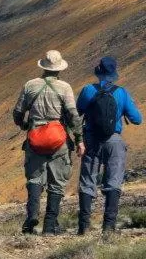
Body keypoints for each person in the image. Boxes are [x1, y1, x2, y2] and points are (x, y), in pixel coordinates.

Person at [12, 50, 84, 235]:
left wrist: (25, 125)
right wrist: (79, 140)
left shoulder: (30, 85)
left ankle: (32, 216)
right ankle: (50, 226)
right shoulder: (65, 88)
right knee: (57, 183)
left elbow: (18, 112)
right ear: (59, 69)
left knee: (34, 179)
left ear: (43, 67)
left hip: (35, 138)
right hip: (58, 139)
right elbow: (73, 116)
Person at [76, 57, 142, 234]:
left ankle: (83, 227)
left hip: (91, 139)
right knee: (114, 181)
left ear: (98, 73)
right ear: (114, 73)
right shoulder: (122, 92)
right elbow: (137, 119)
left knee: (87, 181)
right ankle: (108, 227)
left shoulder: (88, 90)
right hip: (114, 140)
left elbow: (77, 112)